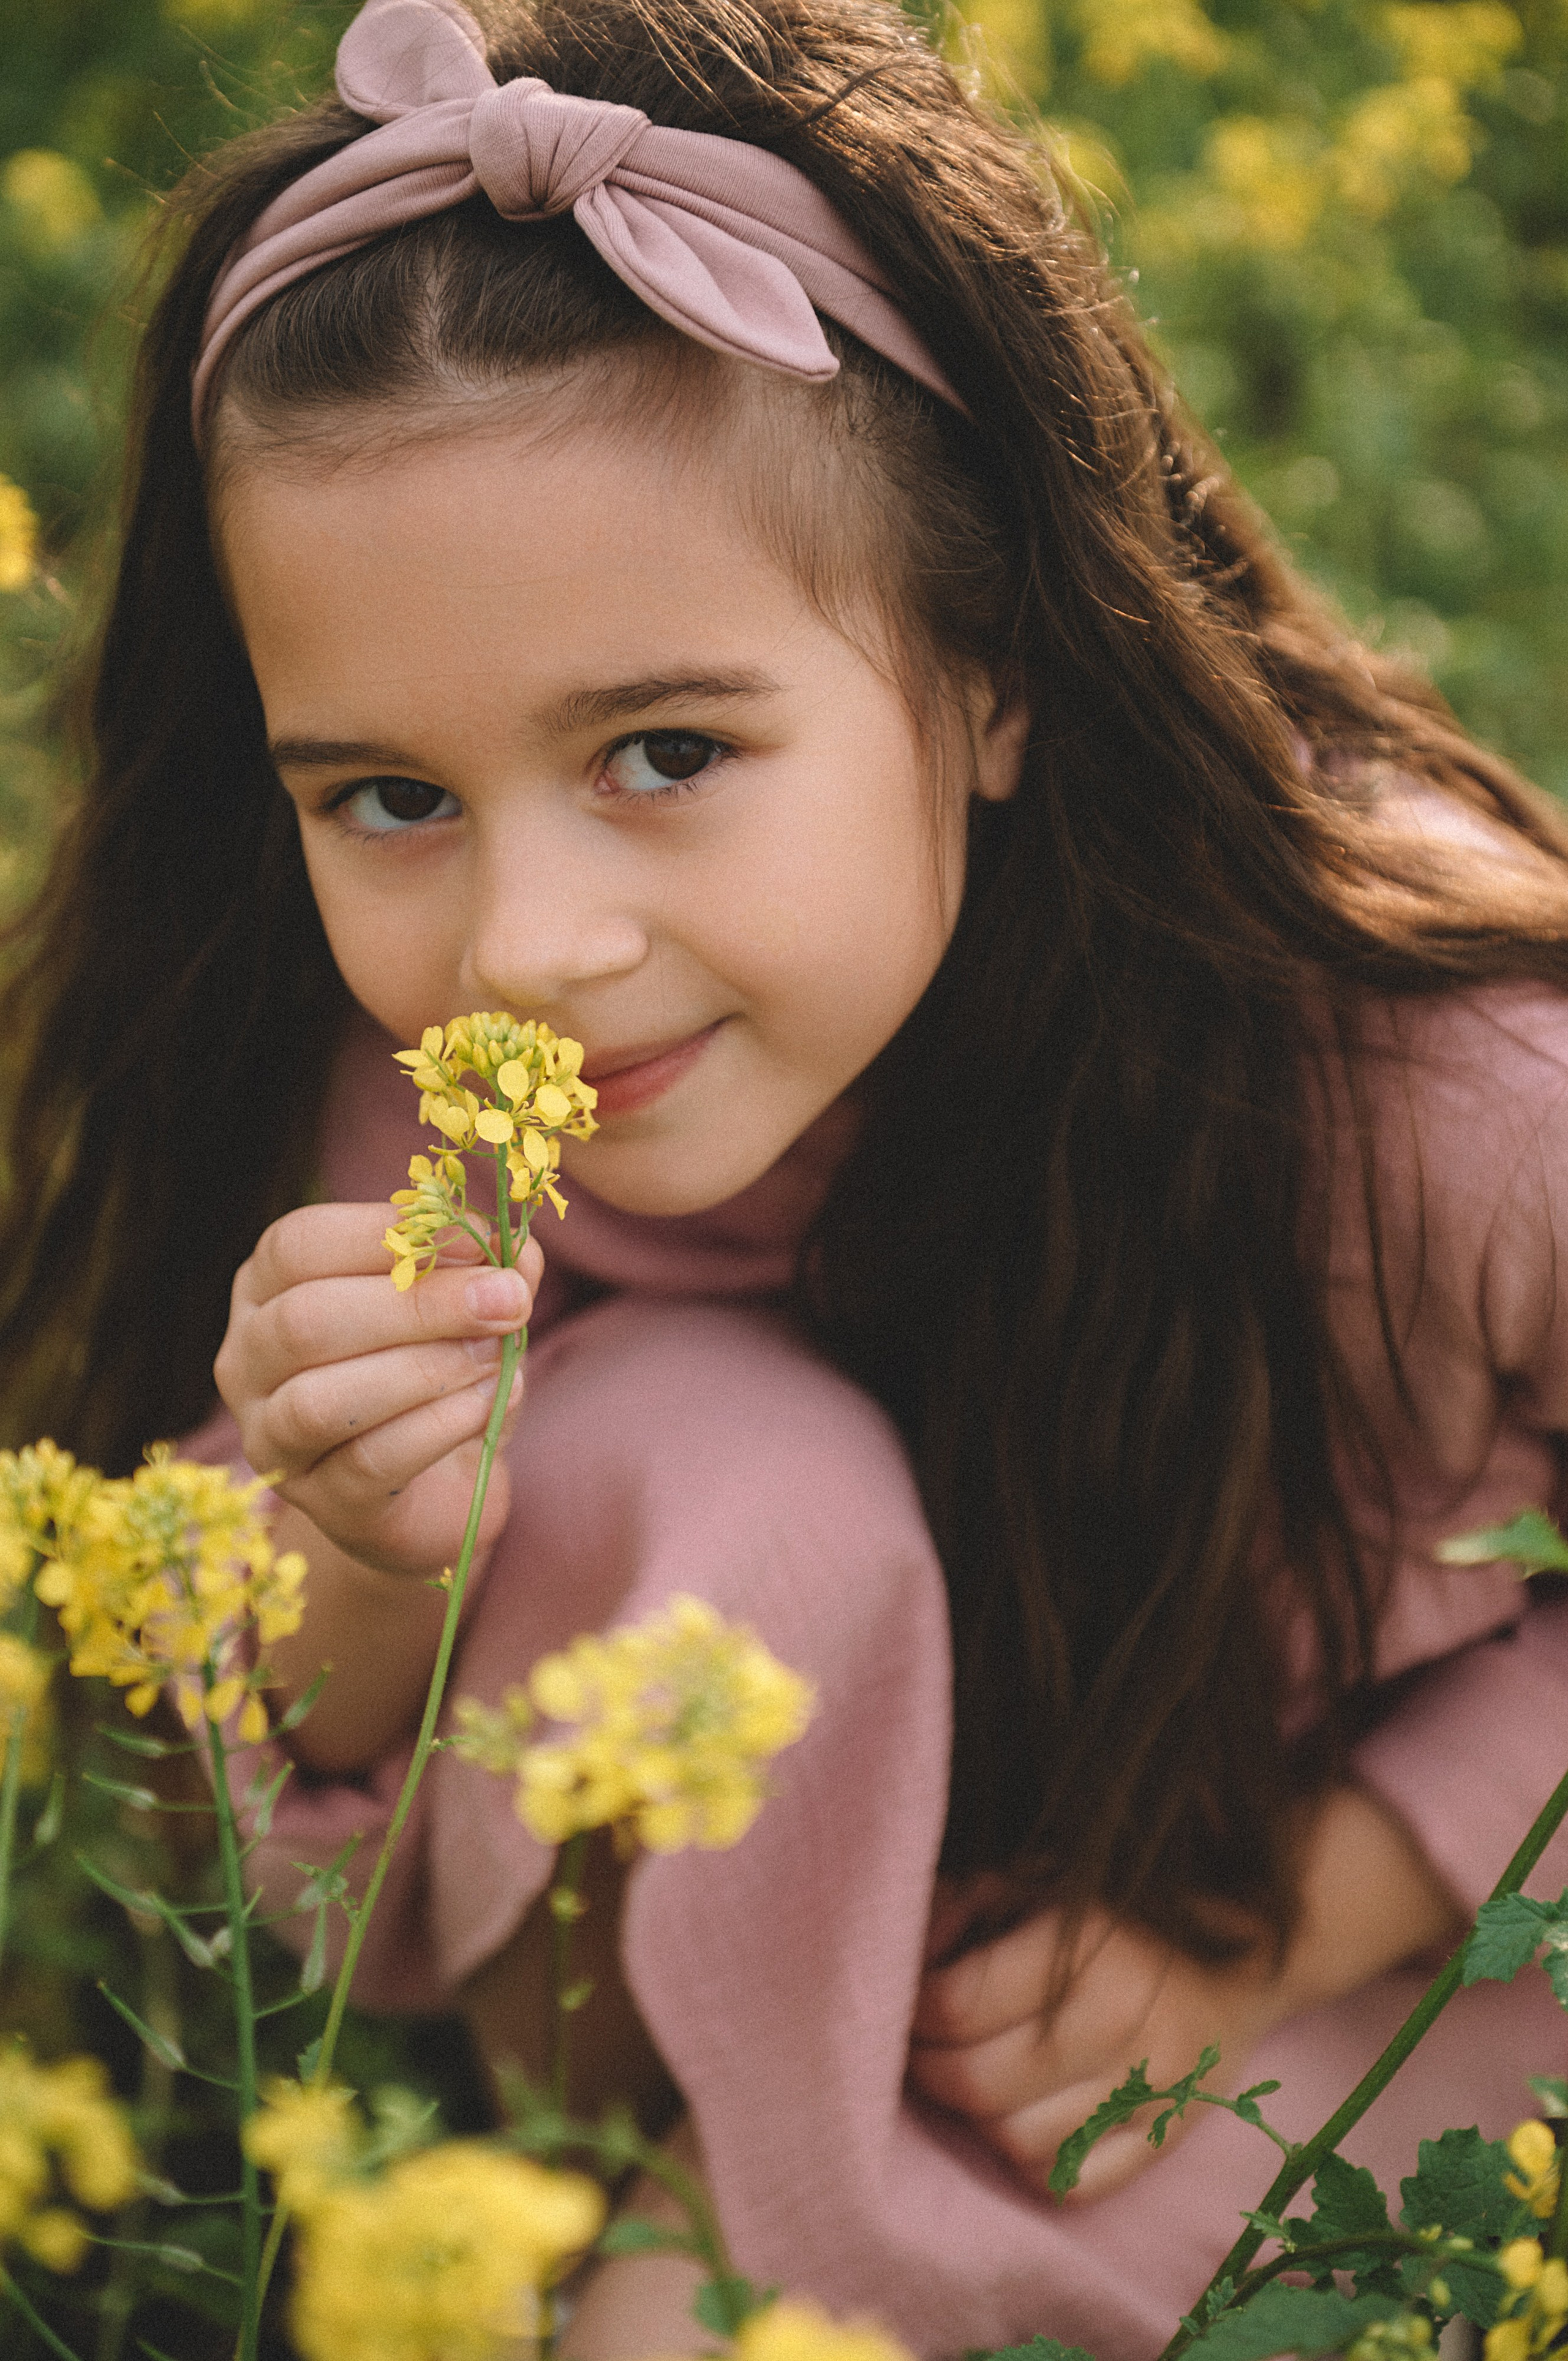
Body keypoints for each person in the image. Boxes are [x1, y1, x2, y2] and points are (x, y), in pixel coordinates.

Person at [4, 0, 1568, 2348]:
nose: (524, 950)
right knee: (682, 1442)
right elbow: (235, 1824)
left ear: (999, 668)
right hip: (739, 2022)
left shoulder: (1454, 1099)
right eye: (386, 799)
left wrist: (1309, 1904)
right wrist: (354, 1550)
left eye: (661, 750)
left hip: (1331, 2007)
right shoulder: (420, 1108)